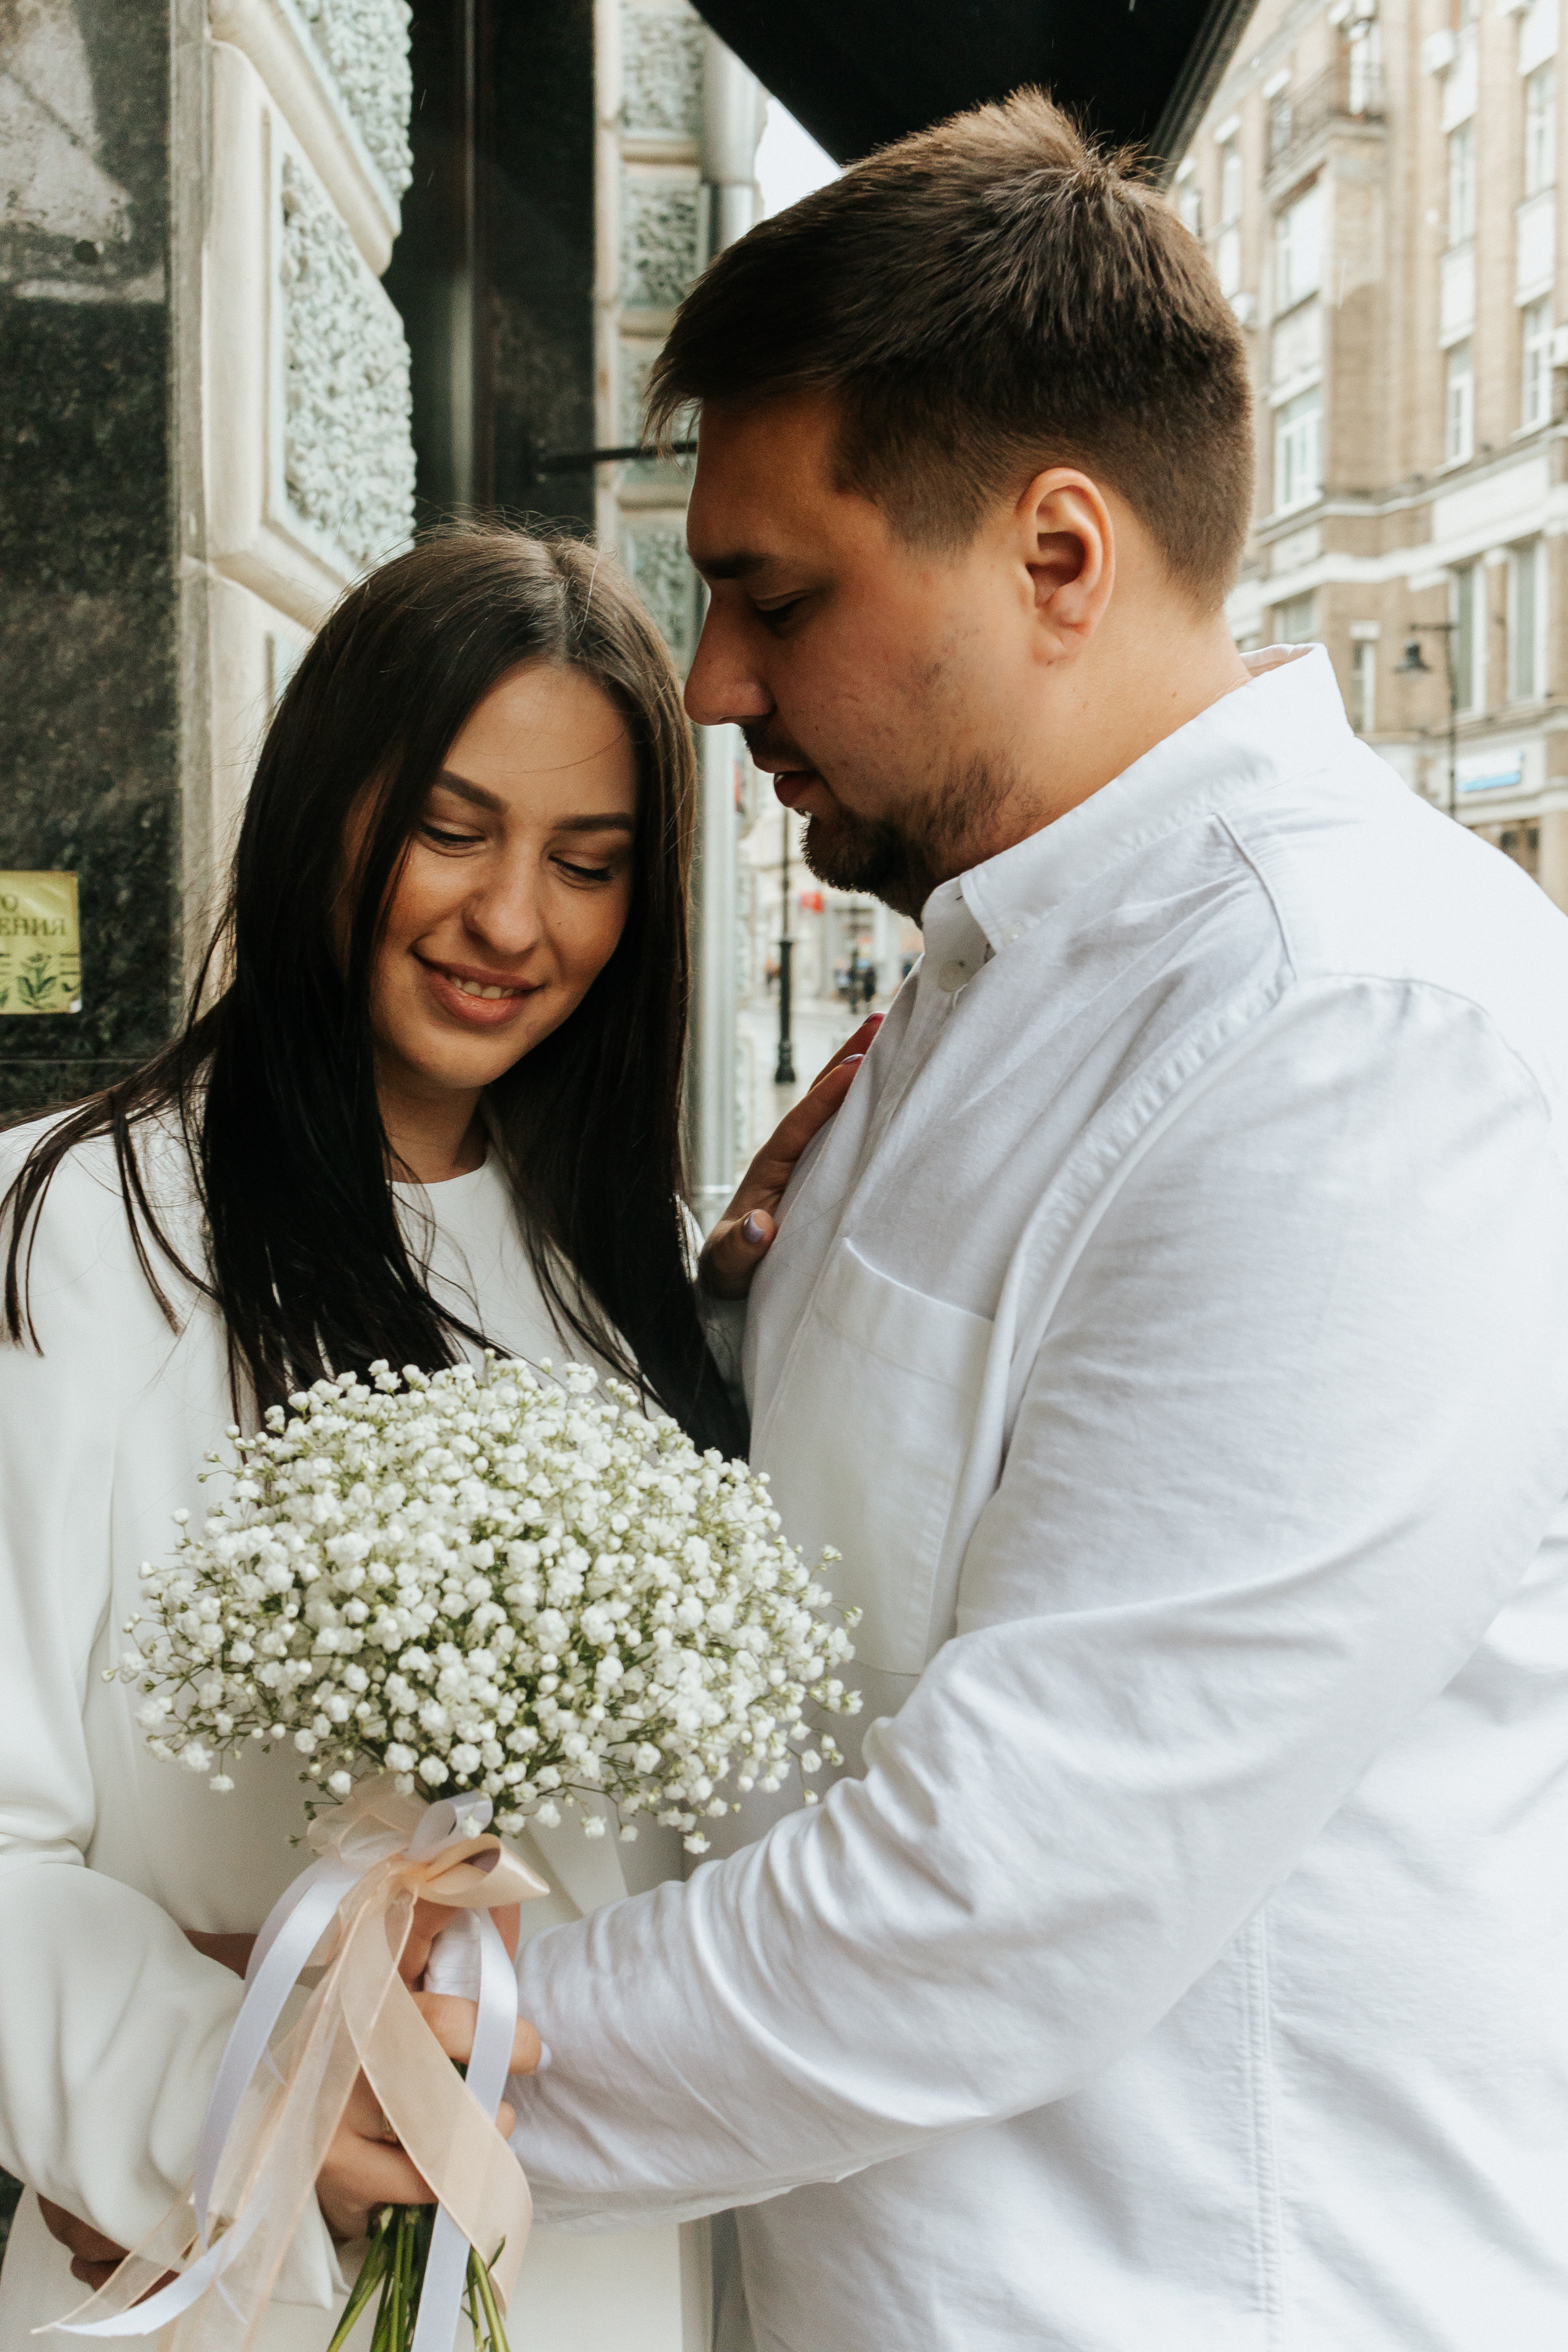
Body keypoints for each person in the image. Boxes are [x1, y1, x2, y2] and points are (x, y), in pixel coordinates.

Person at [498, 93, 1568, 2352]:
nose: (712, 683)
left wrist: (378, 2056)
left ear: (1058, 556)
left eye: (775, 595)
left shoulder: (1354, 1036)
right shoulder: (1006, 971)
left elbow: (1005, 1890)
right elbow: (870, 1595)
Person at [0, 529, 851, 2352]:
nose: (512, 922)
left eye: (587, 863)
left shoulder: (618, 1269)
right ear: (322, 809)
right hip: (229, 2261)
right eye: (451, 832)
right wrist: (231, 2090)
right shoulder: (73, 1233)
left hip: (593, 2256)